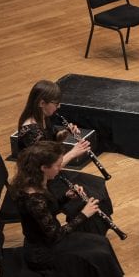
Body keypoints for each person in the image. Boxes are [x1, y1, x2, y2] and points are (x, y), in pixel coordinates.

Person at [9, 141, 127, 277]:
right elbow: (55, 235)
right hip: (43, 252)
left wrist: (66, 197)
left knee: (101, 243)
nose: (60, 168)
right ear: (43, 168)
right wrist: (84, 214)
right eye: (56, 165)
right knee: (96, 253)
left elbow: (48, 213)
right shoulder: (32, 197)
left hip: (47, 241)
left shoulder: (37, 182)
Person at [17, 80, 113, 229]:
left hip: (52, 173)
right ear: (42, 103)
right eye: (56, 103)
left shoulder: (42, 116)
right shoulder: (30, 131)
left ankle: (99, 226)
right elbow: (46, 164)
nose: (59, 106)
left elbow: (51, 141)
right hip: (42, 181)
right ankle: (84, 231)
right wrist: (74, 152)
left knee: (97, 184)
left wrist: (65, 133)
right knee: (86, 199)